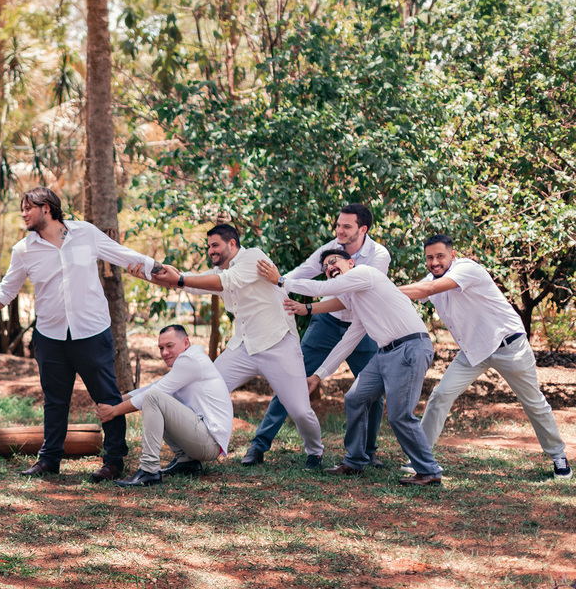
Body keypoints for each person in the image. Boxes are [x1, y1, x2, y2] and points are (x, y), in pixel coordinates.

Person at [0, 187, 157, 482]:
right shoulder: (23, 250)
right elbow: (7, 288)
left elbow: (121, 254)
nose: (23, 214)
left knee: (106, 397)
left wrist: (156, 269)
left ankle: (114, 460)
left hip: (92, 332)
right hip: (50, 337)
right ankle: (49, 460)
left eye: (28, 208)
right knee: (55, 401)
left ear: (47, 208)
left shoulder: (85, 233)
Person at [135, 224, 325, 468]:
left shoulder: (253, 257)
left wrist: (180, 278)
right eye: (209, 246)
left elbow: (224, 281)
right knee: (197, 390)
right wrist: (150, 276)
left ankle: (315, 452)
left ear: (232, 244)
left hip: (278, 343)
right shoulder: (218, 271)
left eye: (215, 245)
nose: (211, 251)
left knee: (299, 410)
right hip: (243, 347)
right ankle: (189, 456)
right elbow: (192, 284)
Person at [258, 249, 444, 485]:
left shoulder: (365, 273)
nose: (328, 268)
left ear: (350, 263)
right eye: (324, 266)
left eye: (333, 262)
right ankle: (355, 461)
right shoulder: (355, 298)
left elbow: (321, 290)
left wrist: (282, 280)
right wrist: (318, 375)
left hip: (409, 348)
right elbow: (349, 339)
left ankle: (429, 471)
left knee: (399, 416)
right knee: (355, 398)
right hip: (384, 353)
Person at [399, 235, 570, 478]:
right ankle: (421, 457)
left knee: (533, 402)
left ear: (452, 255)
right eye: (429, 257)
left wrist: (387, 288)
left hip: (508, 346)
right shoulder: (431, 279)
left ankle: (558, 456)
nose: (435, 262)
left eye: (440, 256)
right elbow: (417, 291)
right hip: (473, 352)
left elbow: (430, 289)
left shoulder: (466, 268)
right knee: (440, 395)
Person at [242, 203, 391, 467]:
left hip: (363, 326)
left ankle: (368, 451)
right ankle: (258, 446)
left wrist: (292, 291)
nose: (339, 231)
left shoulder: (379, 256)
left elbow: (352, 294)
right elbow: (302, 271)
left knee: (372, 391)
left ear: (363, 229)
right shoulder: (329, 249)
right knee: (293, 379)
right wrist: (274, 285)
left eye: (347, 226)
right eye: (338, 225)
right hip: (326, 323)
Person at [93, 325, 233, 487]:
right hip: (204, 440)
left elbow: (152, 393)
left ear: (186, 342)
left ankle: (149, 470)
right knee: (155, 396)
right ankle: (186, 462)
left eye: (169, 346)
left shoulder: (191, 361)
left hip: (209, 444)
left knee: (154, 398)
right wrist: (115, 401)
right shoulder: (189, 361)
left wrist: (113, 411)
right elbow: (151, 387)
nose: (164, 352)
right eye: (161, 348)